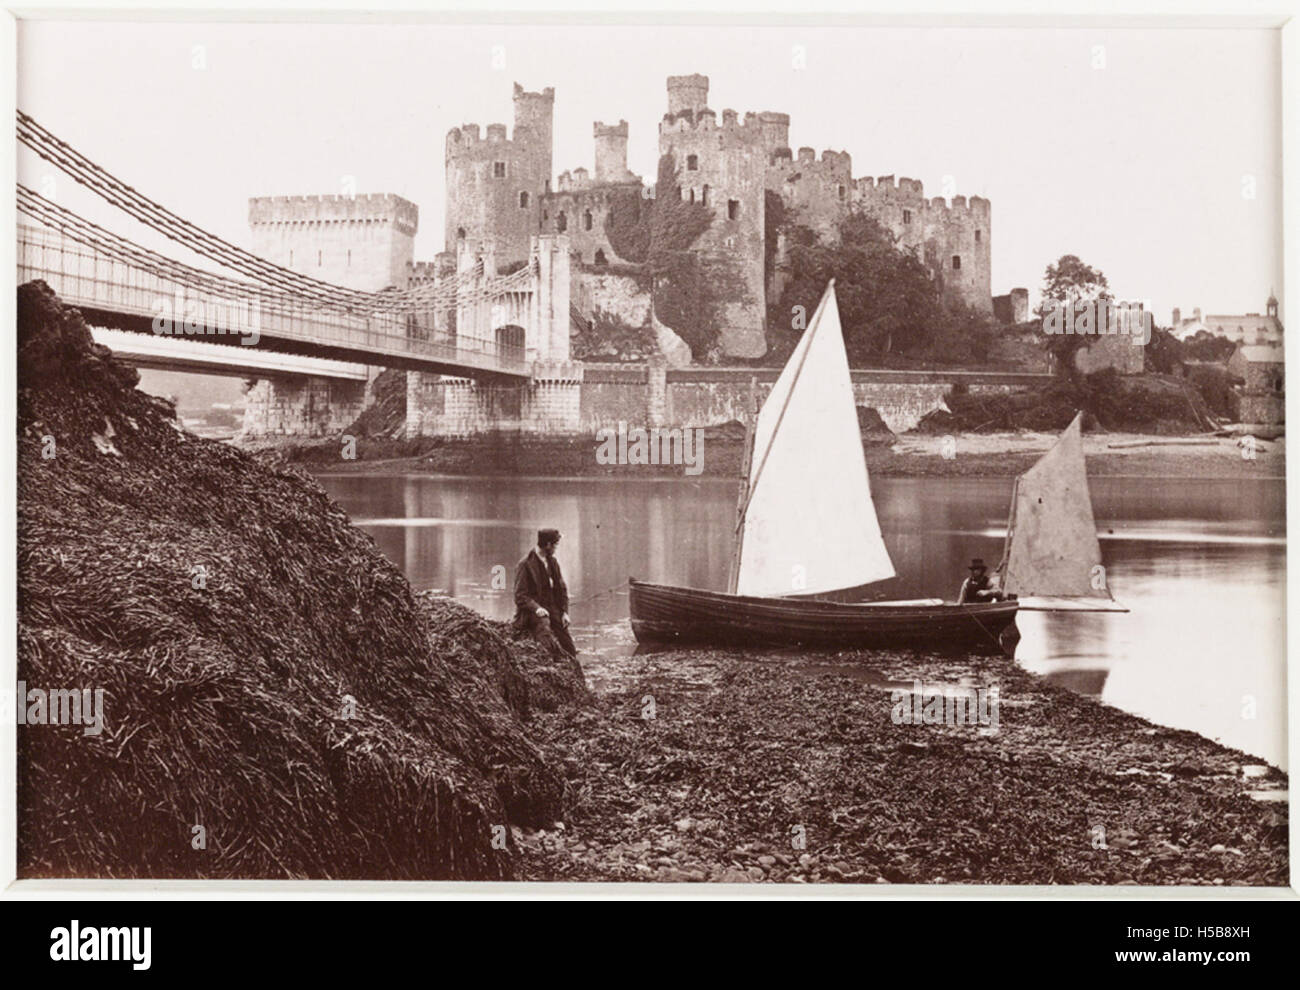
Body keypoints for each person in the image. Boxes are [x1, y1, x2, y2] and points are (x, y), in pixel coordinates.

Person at [513, 528, 577, 658]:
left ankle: (570, 667)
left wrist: (564, 612)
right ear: (548, 545)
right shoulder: (525, 564)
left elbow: (562, 589)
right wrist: (537, 608)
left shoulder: (553, 562)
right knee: (545, 630)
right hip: (532, 612)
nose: (556, 548)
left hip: (552, 609)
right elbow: (520, 596)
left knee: (568, 645)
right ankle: (548, 664)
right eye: (555, 545)